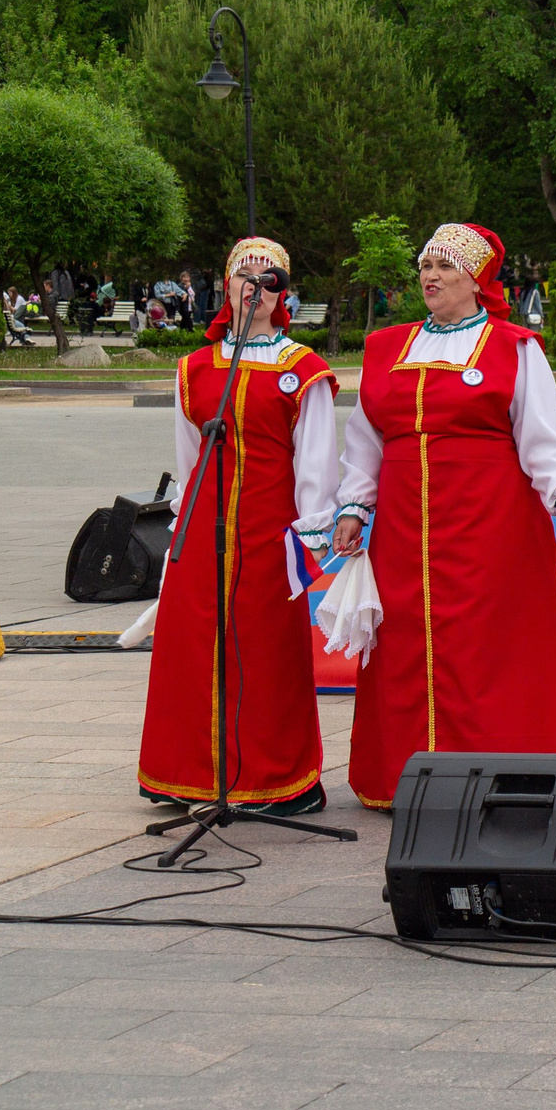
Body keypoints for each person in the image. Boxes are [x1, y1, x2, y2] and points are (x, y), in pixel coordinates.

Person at [329, 223, 556, 810]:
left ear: (478, 280)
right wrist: (355, 505)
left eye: (446, 267)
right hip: (405, 526)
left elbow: (540, 437)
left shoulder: (514, 348)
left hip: (493, 522)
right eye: (426, 266)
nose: (431, 276)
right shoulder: (386, 348)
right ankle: (406, 771)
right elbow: (366, 439)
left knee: (492, 644)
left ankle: (500, 772)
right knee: (405, 638)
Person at [137, 238, 340, 814]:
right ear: (225, 290)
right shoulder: (195, 369)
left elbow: (317, 463)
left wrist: (309, 535)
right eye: (240, 277)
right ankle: (186, 772)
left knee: (266, 648)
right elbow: (186, 461)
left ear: (283, 293)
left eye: (266, 278)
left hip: (269, 528)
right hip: (203, 528)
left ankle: (274, 777)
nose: (253, 285)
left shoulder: (303, 371)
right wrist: (183, 525)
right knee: (194, 647)